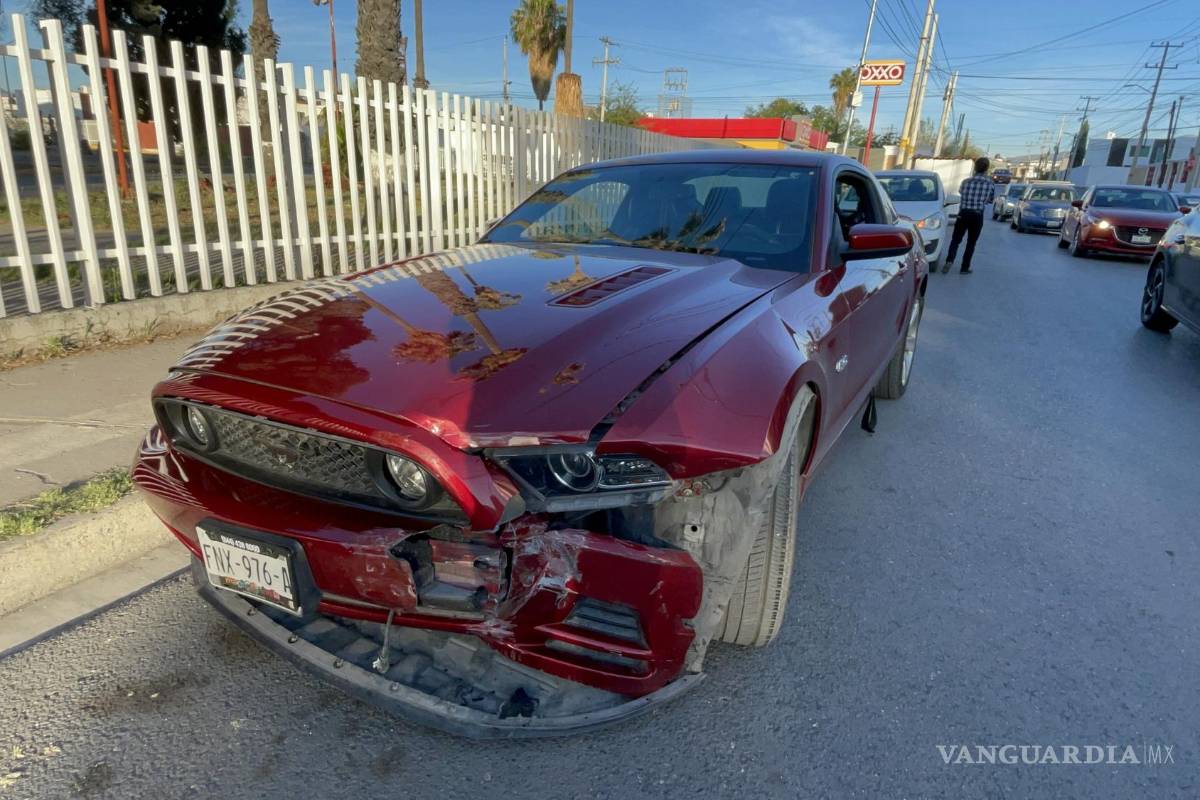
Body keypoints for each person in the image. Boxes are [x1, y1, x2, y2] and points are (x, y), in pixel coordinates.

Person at [943, 157, 995, 274]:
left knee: (956, 239)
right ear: (986, 169)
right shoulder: (990, 183)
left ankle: (949, 260)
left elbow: (961, 192)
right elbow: (990, 200)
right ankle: (964, 267)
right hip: (977, 215)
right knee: (971, 242)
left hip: (963, 213)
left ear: (975, 168)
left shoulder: (966, 182)